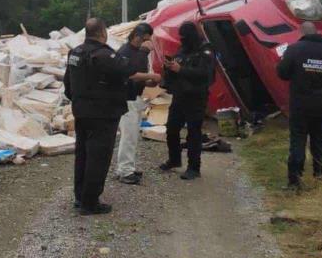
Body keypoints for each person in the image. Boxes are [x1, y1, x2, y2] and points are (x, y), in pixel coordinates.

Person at [64, 18, 160, 215]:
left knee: (82, 154)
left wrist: (78, 99)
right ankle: (90, 202)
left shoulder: (75, 53)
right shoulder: (104, 55)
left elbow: (68, 85)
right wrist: (150, 75)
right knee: (98, 157)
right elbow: (129, 71)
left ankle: (80, 196)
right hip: (102, 114)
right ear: (102, 33)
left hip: (81, 112)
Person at [277, 22, 322, 189]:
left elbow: (282, 73)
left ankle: (295, 181)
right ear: (317, 32)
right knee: (320, 140)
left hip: (300, 105)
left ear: (301, 33)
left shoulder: (294, 49)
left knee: (298, 141)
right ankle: (321, 177)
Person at [159, 21, 215, 180]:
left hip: (196, 97)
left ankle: (194, 167)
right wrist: (169, 67)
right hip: (180, 95)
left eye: (185, 37)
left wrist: (181, 70)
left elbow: (205, 74)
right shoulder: (183, 49)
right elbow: (178, 67)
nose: (182, 40)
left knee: (193, 133)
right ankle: (175, 159)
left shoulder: (205, 51)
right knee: (171, 128)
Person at [115, 23, 155, 185]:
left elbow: (140, 74)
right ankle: (125, 170)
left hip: (134, 97)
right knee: (128, 136)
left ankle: (126, 167)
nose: (149, 43)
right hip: (126, 99)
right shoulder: (126, 52)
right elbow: (131, 74)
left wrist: (150, 82)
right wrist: (145, 52)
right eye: (146, 39)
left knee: (132, 135)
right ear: (138, 36)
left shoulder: (137, 53)